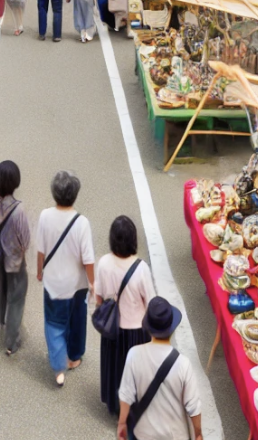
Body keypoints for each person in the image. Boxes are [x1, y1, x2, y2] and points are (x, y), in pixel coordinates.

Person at [94, 216, 157, 417]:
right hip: (137, 332)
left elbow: (99, 297)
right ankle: (133, 412)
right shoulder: (141, 269)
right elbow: (151, 303)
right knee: (135, 374)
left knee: (114, 370)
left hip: (112, 330)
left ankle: (115, 405)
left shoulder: (104, 263)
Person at [37, 170, 94, 387]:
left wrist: (39, 270)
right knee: (77, 319)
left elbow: (41, 251)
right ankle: (74, 356)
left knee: (54, 323)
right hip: (77, 283)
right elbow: (88, 259)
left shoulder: (45, 216)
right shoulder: (82, 223)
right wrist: (93, 282)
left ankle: (59, 366)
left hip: (53, 283)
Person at [116, 298, 201, 440]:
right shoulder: (183, 364)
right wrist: (198, 433)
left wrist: (122, 423)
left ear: (148, 328)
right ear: (172, 328)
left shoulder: (134, 355)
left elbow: (126, 394)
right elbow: (193, 406)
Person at [0, 160, 32, 356]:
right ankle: (11, 342)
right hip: (14, 262)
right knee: (16, 298)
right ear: (16, 182)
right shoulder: (18, 210)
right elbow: (26, 240)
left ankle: (2, 321)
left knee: (0, 292)